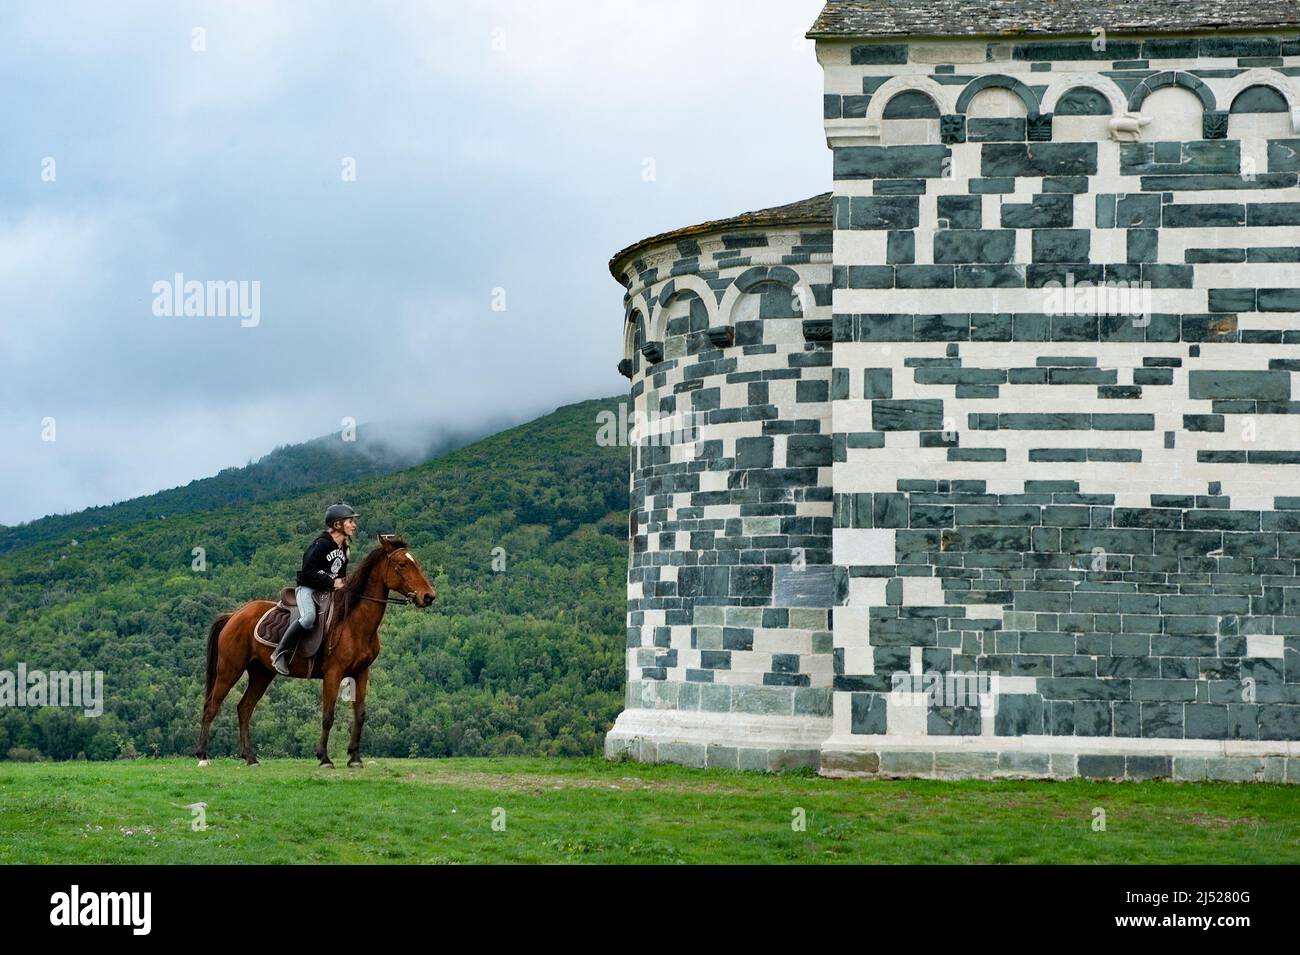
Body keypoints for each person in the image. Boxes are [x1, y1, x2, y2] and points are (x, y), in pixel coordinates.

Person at [273, 503, 357, 675]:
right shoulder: (321, 544)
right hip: (308, 589)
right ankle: (279, 653)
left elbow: (340, 576)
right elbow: (308, 571)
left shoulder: (345, 549)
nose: (354, 525)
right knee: (309, 618)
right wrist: (332, 582)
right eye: (350, 521)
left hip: (328, 593)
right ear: (337, 524)